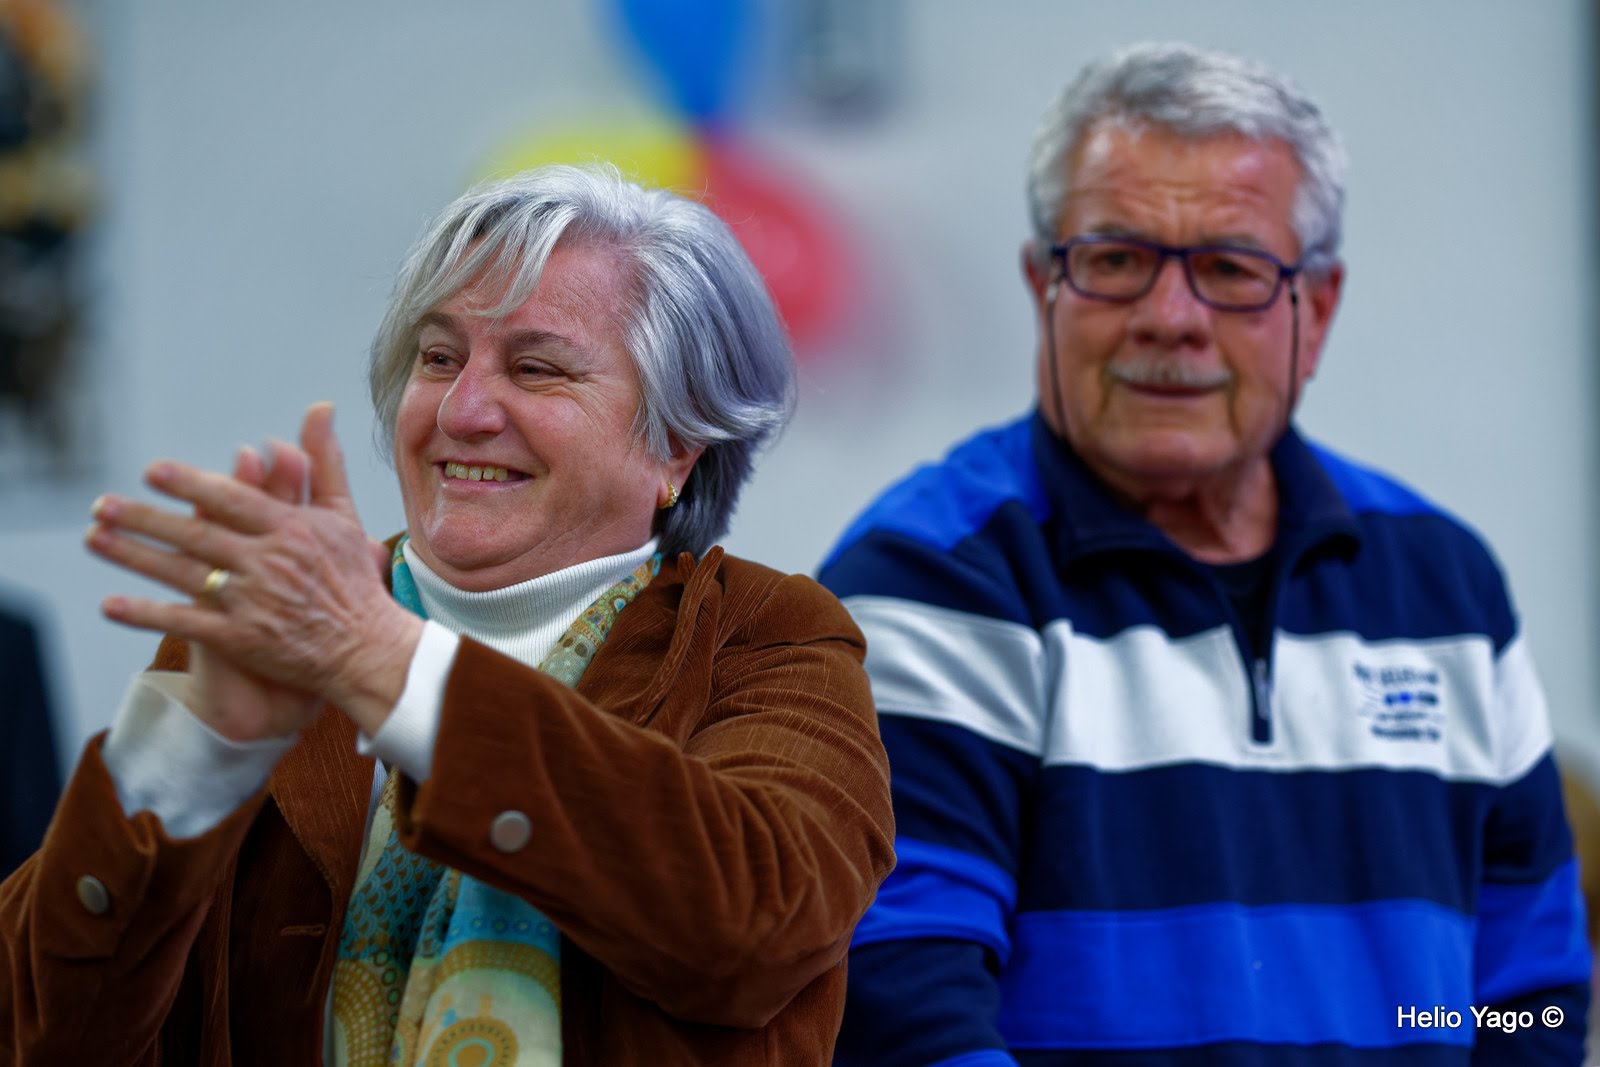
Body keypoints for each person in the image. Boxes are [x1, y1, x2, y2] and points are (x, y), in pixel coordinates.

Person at [0, 164, 895, 1065]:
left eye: (536, 368)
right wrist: (190, 754)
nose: (462, 410)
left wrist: (388, 664)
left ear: (675, 447)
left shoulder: (767, 635)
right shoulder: (275, 630)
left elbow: (755, 928)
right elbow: (43, 1026)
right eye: (437, 358)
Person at [820, 42, 1590, 1066]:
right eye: (1116, 259)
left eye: (1229, 268)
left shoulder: (1443, 583)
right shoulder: (931, 579)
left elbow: (1525, 997)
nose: (1169, 317)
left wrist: (1434, 1029)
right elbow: (899, 998)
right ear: (1040, 285)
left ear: (1314, 311)